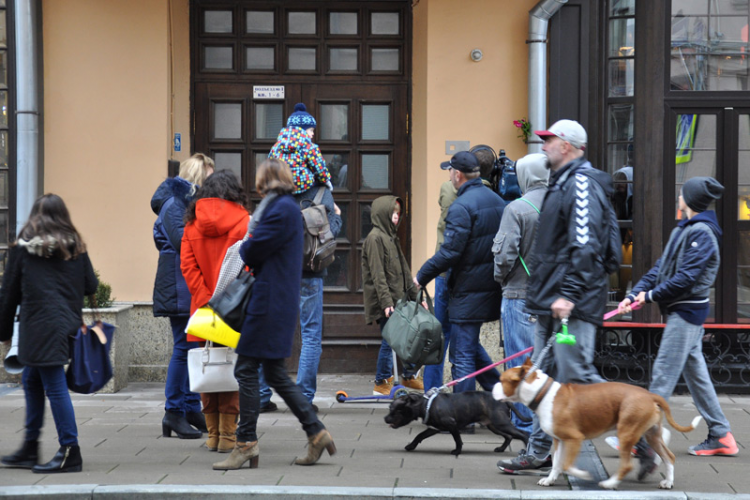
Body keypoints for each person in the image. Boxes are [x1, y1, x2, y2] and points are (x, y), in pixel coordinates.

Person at [498, 119, 615, 474]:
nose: (543, 146)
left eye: (548, 141)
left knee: (578, 375)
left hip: (570, 305)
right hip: (551, 303)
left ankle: (640, 435)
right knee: (539, 378)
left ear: (566, 145)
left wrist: (568, 294)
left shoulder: (580, 184)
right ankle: (537, 452)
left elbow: (585, 245)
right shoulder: (562, 183)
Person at [213, 159, 335, 470]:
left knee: (246, 371)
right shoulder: (285, 208)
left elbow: (251, 252)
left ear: (266, 180)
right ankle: (315, 432)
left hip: (267, 303)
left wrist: (247, 243)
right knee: (273, 374)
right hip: (276, 301)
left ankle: (245, 444)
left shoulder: (279, 209)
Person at [613, 176, 738, 477]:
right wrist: (634, 294)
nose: (678, 196)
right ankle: (721, 435)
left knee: (661, 383)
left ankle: (641, 443)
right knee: (697, 378)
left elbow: (687, 279)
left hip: (686, 315)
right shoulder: (685, 229)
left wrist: (650, 296)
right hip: (683, 314)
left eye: (682, 193)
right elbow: (661, 269)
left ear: (690, 200)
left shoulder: (703, 234)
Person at [0, 194, 98, 473]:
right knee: (32, 380)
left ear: (35, 217)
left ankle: (70, 450)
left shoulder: (23, 249)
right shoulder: (76, 248)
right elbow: (91, 284)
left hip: (37, 327)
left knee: (54, 387)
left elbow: (8, 295)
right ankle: (30, 447)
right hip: (65, 326)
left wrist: (4, 332)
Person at [415, 151, 505, 393]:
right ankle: (499, 393)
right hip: (489, 287)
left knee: (463, 355)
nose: (449, 175)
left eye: (450, 171)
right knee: (470, 346)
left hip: (466, 290)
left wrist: (421, 276)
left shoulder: (461, 206)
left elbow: (450, 253)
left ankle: (463, 415)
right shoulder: (497, 201)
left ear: (457, 175)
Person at [181, 170, 248, 454]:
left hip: (202, 310)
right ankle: (229, 438)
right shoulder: (244, 221)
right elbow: (247, 266)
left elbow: (188, 267)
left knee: (207, 367)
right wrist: (224, 298)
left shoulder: (191, 224)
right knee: (231, 368)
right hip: (234, 308)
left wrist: (205, 297)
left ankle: (211, 435)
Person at [151, 153, 214, 439]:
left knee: (191, 347)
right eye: (208, 178)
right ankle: (173, 412)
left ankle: (189, 408)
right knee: (183, 347)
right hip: (177, 282)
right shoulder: (175, 203)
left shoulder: (184, 203)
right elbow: (183, 241)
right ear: (198, 177)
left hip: (183, 280)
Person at [492, 153, 548, 435]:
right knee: (544, 364)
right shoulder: (561, 205)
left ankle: (525, 423)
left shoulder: (517, 208)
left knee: (520, 363)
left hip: (519, 294)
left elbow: (503, 256)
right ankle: (544, 424)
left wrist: (501, 278)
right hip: (553, 297)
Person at [362, 196, 423, 396]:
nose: (396, 217)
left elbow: (405, 271)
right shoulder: (375, 238)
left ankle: (409, 375)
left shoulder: (391, 237)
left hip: (398, 299)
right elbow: (378, 274)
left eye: (398, 214)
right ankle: (381, 381)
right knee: (391, 340)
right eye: (392, 214)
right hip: (385, 301)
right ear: (383, 214)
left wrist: (417, 297)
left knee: (405, 336)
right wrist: (387, 303)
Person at [294, 184, 342, 411]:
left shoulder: (278, 187)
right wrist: (338, 217)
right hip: (311, 273)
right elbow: (331, 231)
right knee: (311, 333)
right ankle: (303, 399)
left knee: (271, 330)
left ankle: (263, 395)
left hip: (281, 271)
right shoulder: (321, 192)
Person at [422, 178, 456, 392]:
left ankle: (431, 390)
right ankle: (491, 384)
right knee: (464, 336)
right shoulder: (487, 195)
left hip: (445, 272)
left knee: (439, 334)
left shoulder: (449, 189)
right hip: (468, 276)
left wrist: (422, 275)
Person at [269, 102, 332, 194]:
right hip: (303, 186)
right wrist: (326, 180)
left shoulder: (277, 146)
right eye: (311, 130)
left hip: (281, 186)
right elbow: (319, 167)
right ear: (302, 130)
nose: (313, 133)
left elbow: (270, 165)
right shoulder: (309, 146)